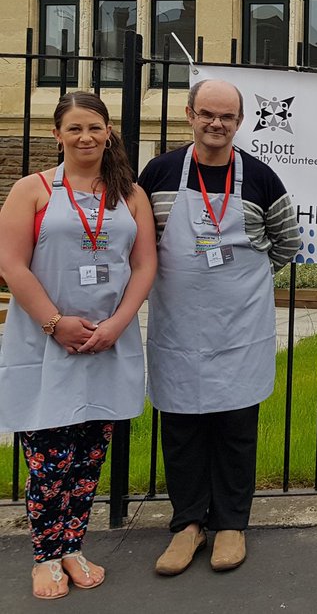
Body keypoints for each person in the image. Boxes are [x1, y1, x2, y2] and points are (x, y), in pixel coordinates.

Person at [139, 78, 301, 575]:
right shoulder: (160, 173)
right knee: (182, 426)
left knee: (235, 426)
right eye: (207, 113)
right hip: (179, 327)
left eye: (226, 116)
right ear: (189, 114)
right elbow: (142, 242)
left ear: (240, 122)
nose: (216, 124)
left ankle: (231, 524)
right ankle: (188, 525)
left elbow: (287, 243)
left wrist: (241, 282)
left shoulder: (261, 178)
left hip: (239, 328)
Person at [0, 92, 156, 599]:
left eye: (95, 127)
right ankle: (45, 555)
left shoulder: (129, 193)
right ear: (57, 135)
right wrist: (54, 323)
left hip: (108, 341)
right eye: (75, 129)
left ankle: (73, 545)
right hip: (47, 342)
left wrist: (118, 323)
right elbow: (12, 265)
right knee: (49, 454)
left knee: (89, 454)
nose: (86, 137)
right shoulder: (33, 190)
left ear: (109, 132)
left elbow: (145, 264)